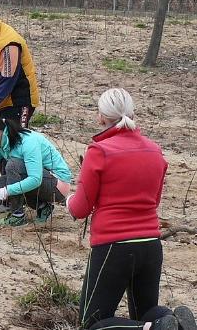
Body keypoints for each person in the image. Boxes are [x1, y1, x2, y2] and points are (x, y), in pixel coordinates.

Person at [66, 89, 195, 330]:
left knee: (91, 324)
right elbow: (153, 202)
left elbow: (80, 208)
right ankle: (175, 322)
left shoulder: (99, 151)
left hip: (113, 247)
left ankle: (154, 328)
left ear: (101, 117)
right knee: (147, 313)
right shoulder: (155, 151)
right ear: (132, 113)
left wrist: (67, 198)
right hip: (151, 245)